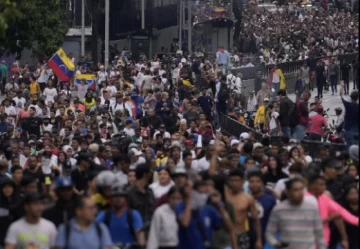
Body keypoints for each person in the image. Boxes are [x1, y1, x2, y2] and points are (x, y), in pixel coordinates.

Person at [265, 177, 326, 249]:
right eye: (296, 190)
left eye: (301, 189)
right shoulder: (279, 210)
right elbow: (269, 233)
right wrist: (275, 243)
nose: (300, 193)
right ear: (287, 192)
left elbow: (319, 235)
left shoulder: (312, 209)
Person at [96, 182, 145, 247]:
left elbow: (140, 234)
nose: (118, 199)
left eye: (121, 196)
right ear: (111, 198)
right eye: (115, 196)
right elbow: (94, 232)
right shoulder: (104, 215)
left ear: (125, 198)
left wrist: (141, 243)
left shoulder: (133, 215)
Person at [225, 169, 262, 249]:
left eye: (237, 180)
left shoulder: (248, 198)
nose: (234, 183)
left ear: (242, 182)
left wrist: (259, 239)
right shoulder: (224, 197)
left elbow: (255, 220)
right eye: (232, 180)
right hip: (225, 235)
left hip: (241, 233)